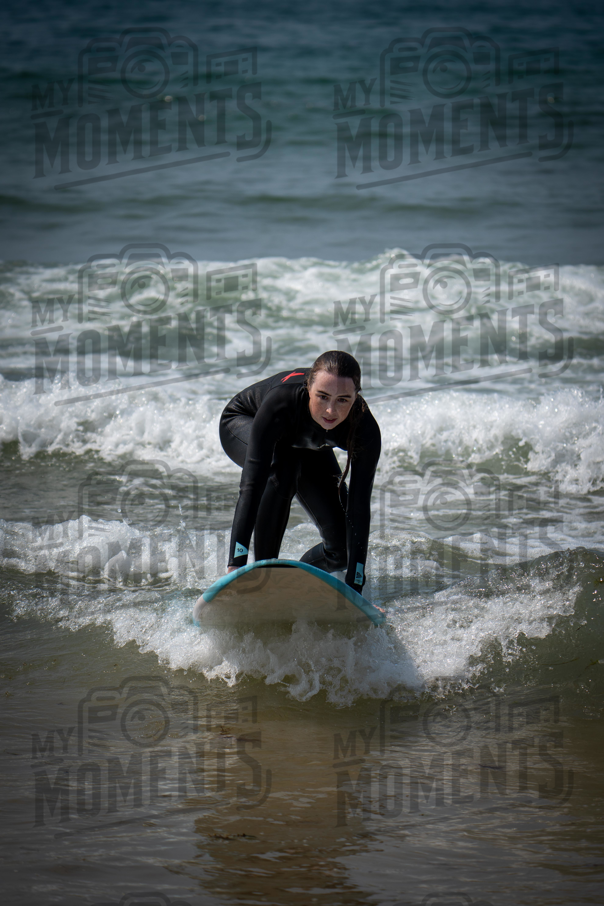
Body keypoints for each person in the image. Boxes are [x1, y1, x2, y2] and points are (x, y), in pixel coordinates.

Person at [219, 350, 381, 594]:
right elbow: (252, 486)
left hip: (306, 443)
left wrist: (355, 586)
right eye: (323, 397)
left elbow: (359, 508)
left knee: (342, 550)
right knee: (283, 464)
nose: (330, 411)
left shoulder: (365, 429)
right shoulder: (281, 403)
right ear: (309, 387)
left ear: (356, 397)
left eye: (343, 400)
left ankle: (298, 579)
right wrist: (235, 564)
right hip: (244, 421)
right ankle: (264, 575)